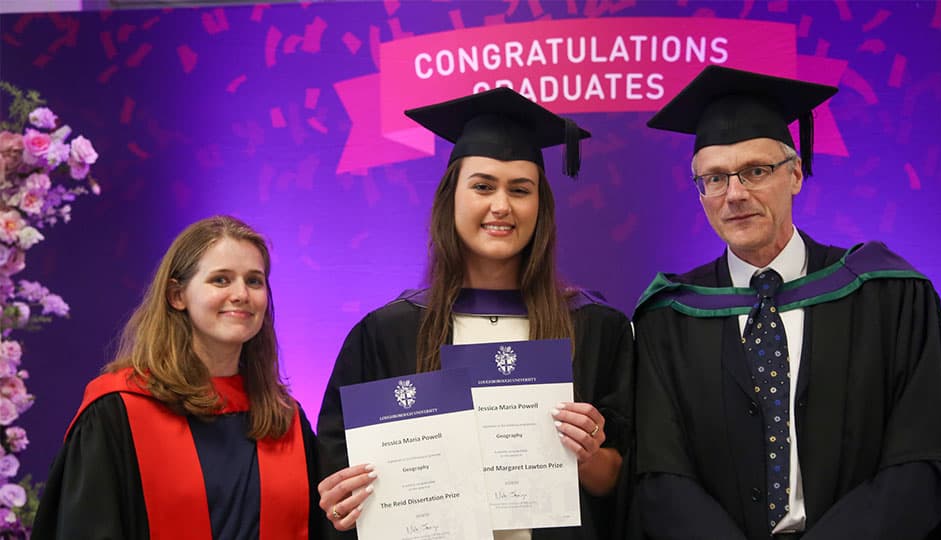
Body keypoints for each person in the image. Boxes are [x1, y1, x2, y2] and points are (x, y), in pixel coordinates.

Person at [632, 65, 941, 539]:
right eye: (715, 179)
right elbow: (661, 475)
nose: (735, 195)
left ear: (796, 175)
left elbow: (925, 451)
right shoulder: (670, 317)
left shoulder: (887, 295)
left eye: (756, 171)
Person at [315, 88, 635, 540]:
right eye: (483, 186)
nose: (501, 206)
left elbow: (618, 484)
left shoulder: (595, 328)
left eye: (520, 190)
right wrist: (340, 498)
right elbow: (338, 481)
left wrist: (587, 453)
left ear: (540, 206)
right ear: (451, 198)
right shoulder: (387, 333)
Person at [33, 215, 322, 539]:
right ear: (177, 295)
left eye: (254, 281)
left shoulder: (285, 419)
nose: (241, 294)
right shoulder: (118, 410)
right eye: (221, 280)